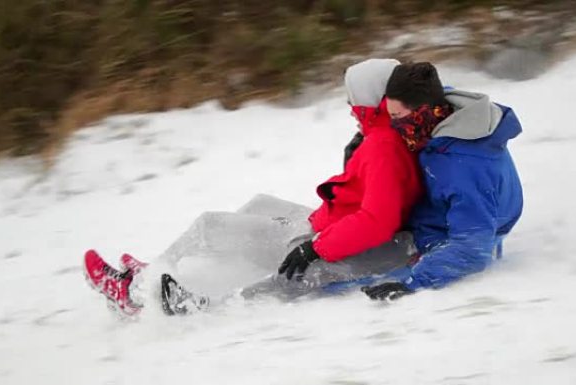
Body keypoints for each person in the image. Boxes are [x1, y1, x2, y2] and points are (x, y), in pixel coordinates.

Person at [84, 58, 424, 315]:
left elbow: (378, 220)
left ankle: (144, 295)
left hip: (334, 242)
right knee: (258, 204)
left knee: (210, 225)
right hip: (332, 226)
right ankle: (165, 273)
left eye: (353, 98)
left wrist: (315, 248)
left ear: (370, 98)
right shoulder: (381, 136)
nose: (349, 108)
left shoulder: (382, 145)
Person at [361, 62, 524, 301]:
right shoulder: (440, 115)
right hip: (428, 222)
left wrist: (413, 282)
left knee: (347, 283)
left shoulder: (465, 165)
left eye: (396, 117)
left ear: (421, 112)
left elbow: (472, 248)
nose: (394, 126)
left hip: (444, 248)